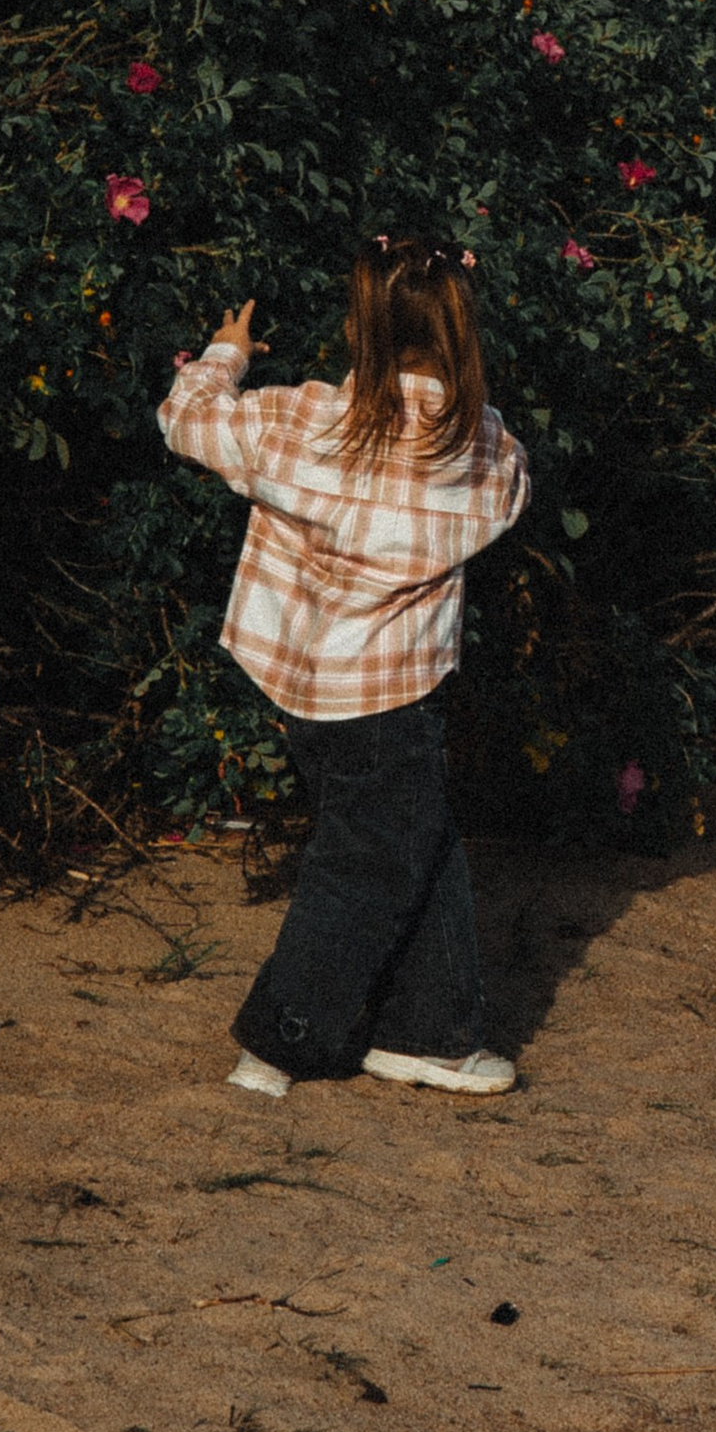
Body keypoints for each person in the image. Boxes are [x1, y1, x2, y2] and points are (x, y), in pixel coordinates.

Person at [158, 234, 531, 1097]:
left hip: (301, 687)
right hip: (394, 696)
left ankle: (429, 1034)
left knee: (415, 841)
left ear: (359, 322)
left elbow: (186, 421)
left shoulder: (300, 420)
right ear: (461, 331)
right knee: (367, 866)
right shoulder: (481, 450)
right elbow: (512, 489)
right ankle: (279, 1041)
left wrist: (227, 353)